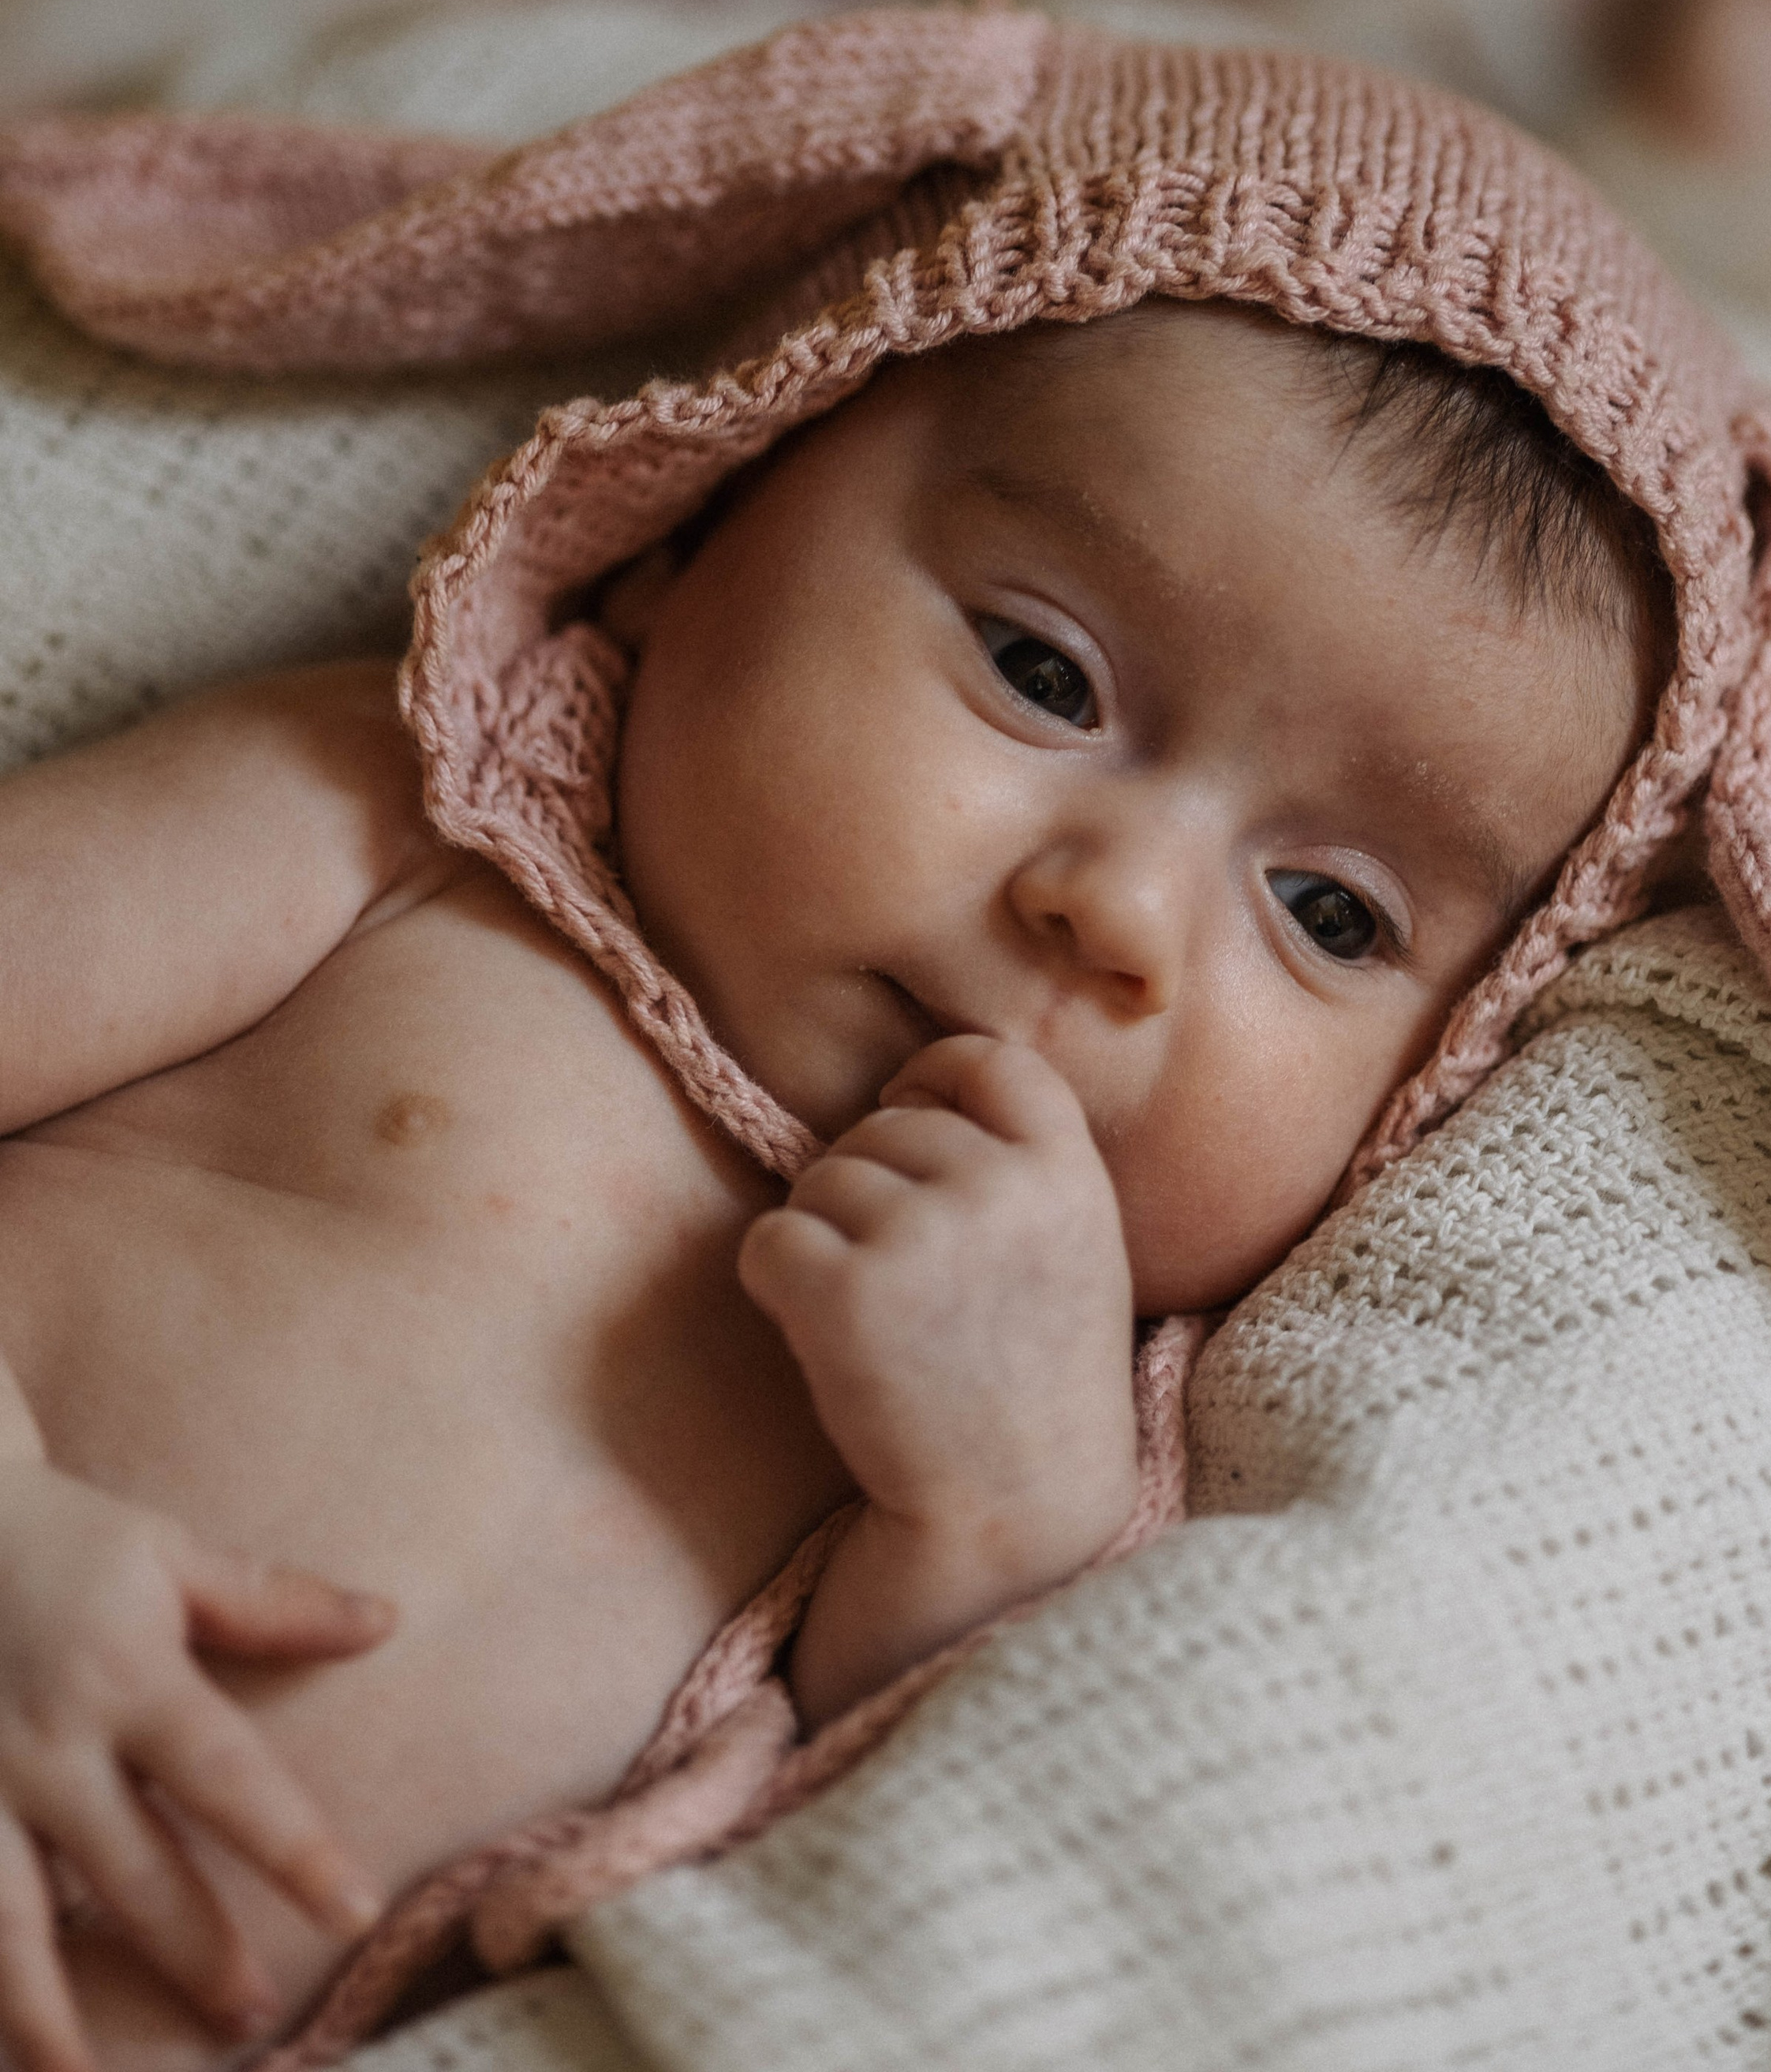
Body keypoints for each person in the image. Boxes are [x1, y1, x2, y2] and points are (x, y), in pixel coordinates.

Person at [0, 290, 1665, 2072]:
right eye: (1043, 674)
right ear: (692, 520)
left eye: (1327, 913)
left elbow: (896, 1857)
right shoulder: (406, 828)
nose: (1110, 912)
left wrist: (984, 1531)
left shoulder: (1074, 1423)